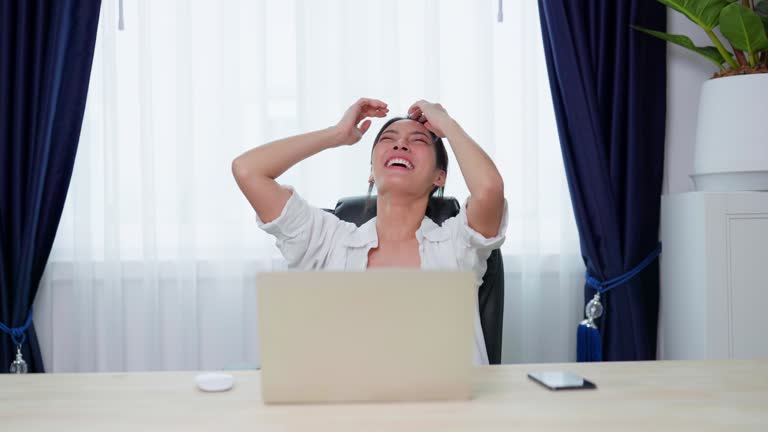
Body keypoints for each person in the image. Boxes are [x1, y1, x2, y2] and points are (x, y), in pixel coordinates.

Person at [232, 98, 507, 365]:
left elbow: (489, 190)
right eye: (389, 138)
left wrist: (447, 124)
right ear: (372, 173)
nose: (401, 143)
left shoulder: (456, 245)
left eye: (419, 140)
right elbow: (248, 171)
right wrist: (336, 134)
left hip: (448, 410)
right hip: (348, 408)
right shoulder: (326, 241)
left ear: (439, 176)